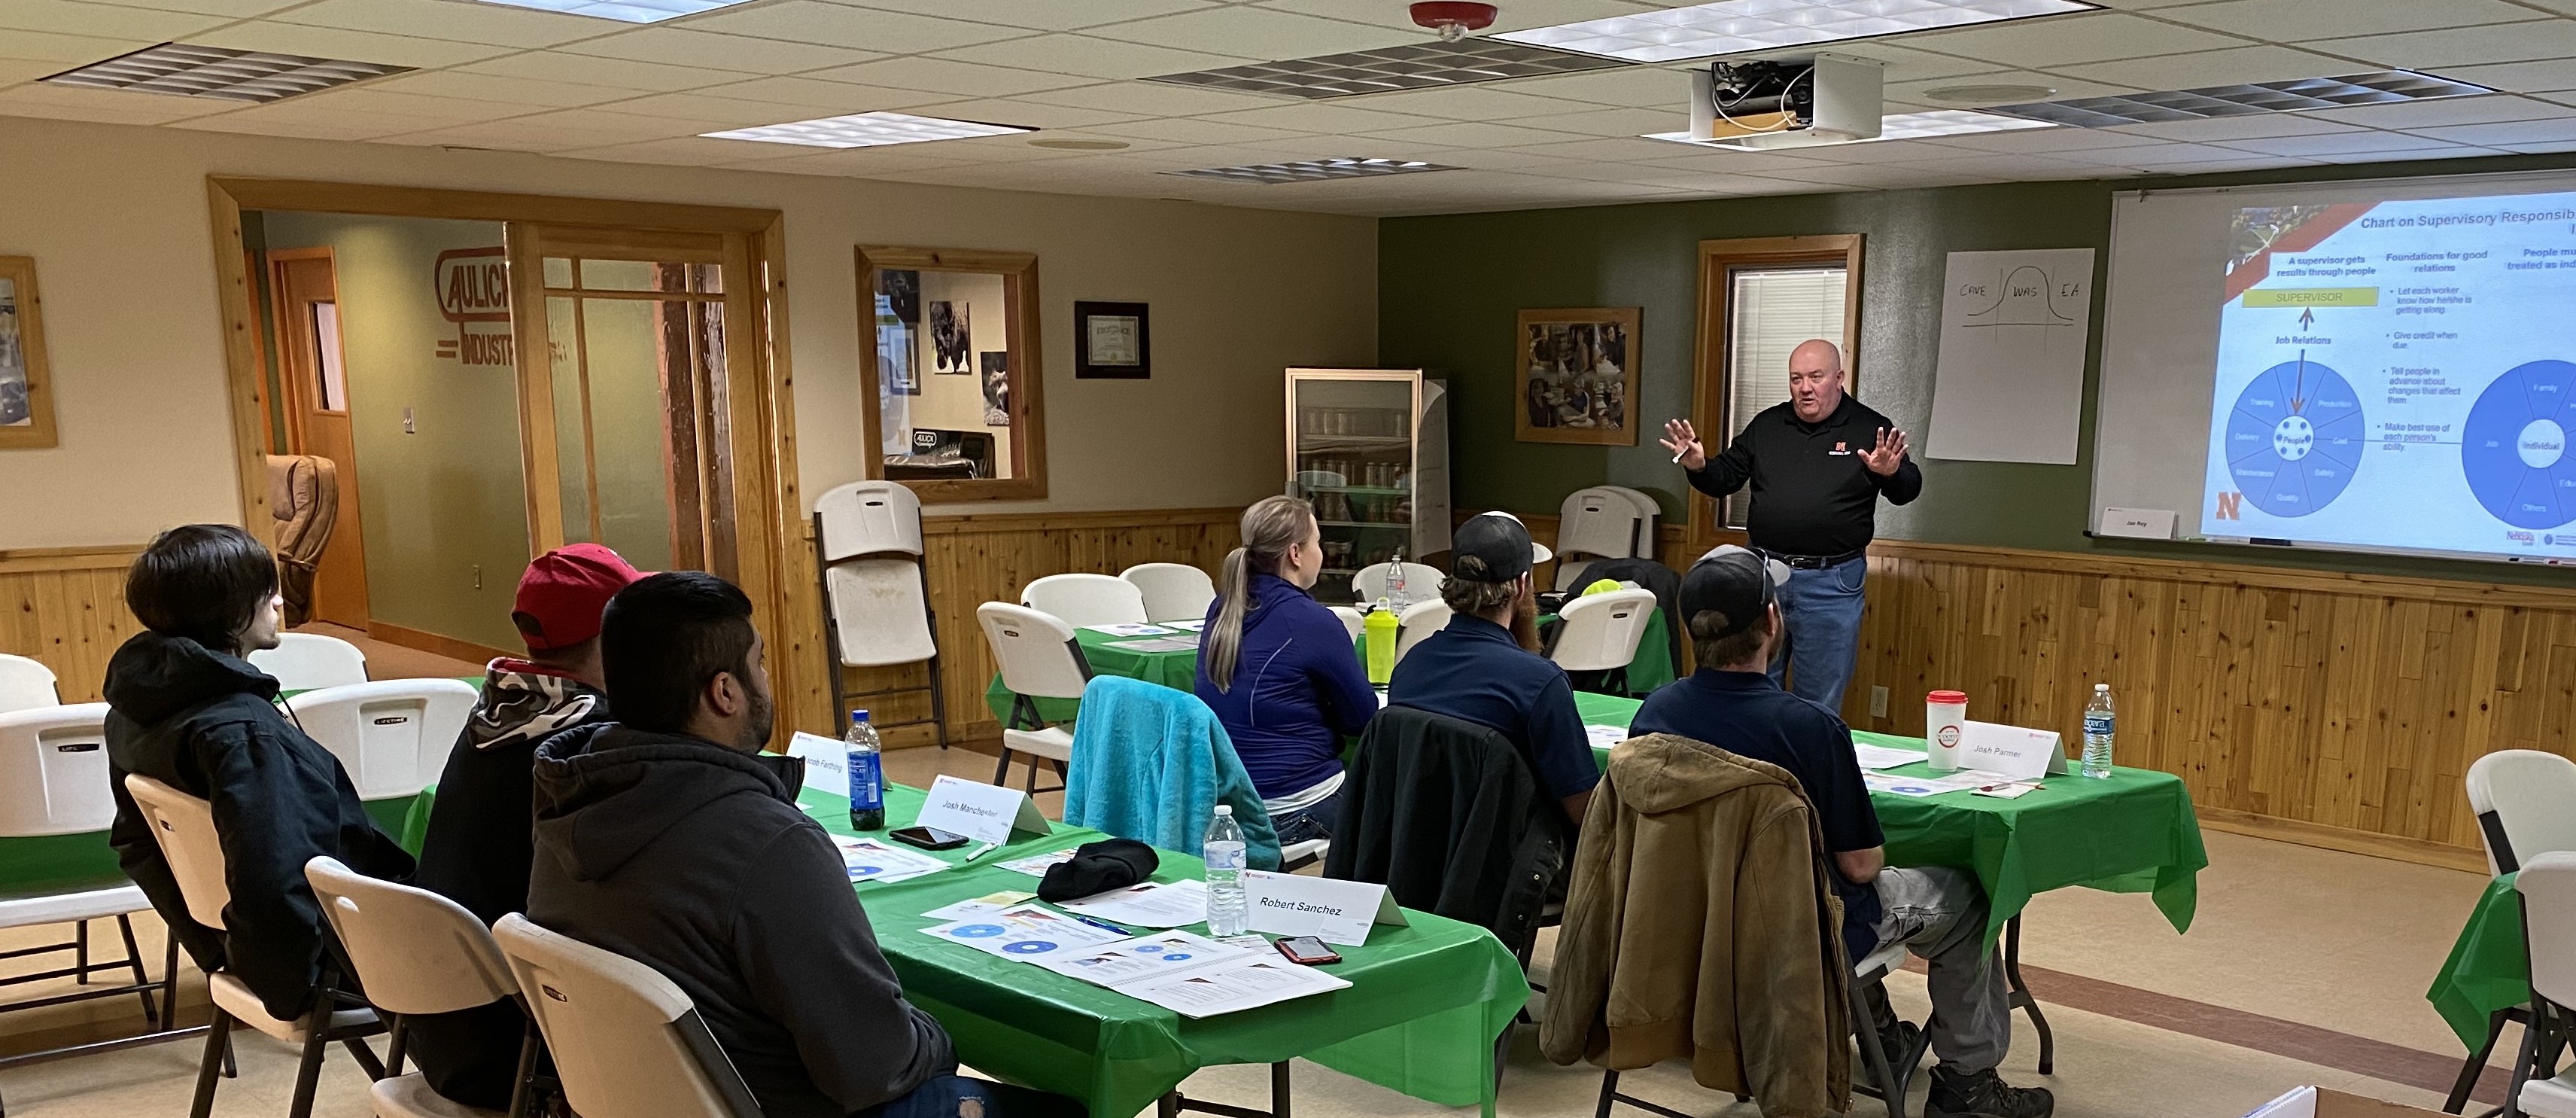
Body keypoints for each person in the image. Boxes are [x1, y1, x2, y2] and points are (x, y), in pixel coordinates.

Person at [527, 572, 1081, 1118]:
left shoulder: (566, 801)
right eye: (759, 663)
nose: (766, 679)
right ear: (725, 693)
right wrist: (937, 1034)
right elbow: (876, 1067)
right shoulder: (766, 842)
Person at [1627, 547, 2050, 1118]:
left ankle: (1880, 1036)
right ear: (1773, 621)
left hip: (1692, 922)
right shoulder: (1810, 726)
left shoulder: (1654, 714)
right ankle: (1967, 1084)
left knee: (1829, 890)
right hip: (1795, 933)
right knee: (1968, 897)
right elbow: (1859, 866)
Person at [102, 524, 414, 1022]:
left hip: (263, 952)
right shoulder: (243, 735)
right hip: (355, 952)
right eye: (265, 592)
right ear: (226, 611)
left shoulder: (131, 711)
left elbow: (135, 844)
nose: (279, 604)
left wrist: (216, 952)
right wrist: (286, 985)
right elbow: (274, 880)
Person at [405, 542, 642, 1110]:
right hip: (526, 1048)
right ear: (614, 638)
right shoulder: (588, 744)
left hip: (444, 1025)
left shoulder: (497, 711)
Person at [1661, 338, 1921, 711]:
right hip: (1764, 577)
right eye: (1796, 378)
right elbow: (1724, 479)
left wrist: (1891, 473)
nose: (1805, 387)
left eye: (1816, 377)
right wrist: (1699, 465)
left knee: (1819, 699)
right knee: (1752, 690)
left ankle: (1807, 769)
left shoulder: (1870, 428)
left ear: (1839, 378)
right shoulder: (1767, 425)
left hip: (1833, 582)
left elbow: (1907, 490)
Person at [1385, 511, 1598, 827]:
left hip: (1414, 858)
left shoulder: (1410, 665)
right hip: (1510, 867)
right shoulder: (1539, 682)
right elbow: (1584, 813)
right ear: (1522, 584)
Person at [1195, 495, 1379, 846]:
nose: (1321, 553)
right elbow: (1362, 718)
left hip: (1230, 805)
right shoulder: (1312, 621)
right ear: (1296, 553)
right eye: (1318, 543)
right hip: (1298, 804)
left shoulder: (1222, 608)